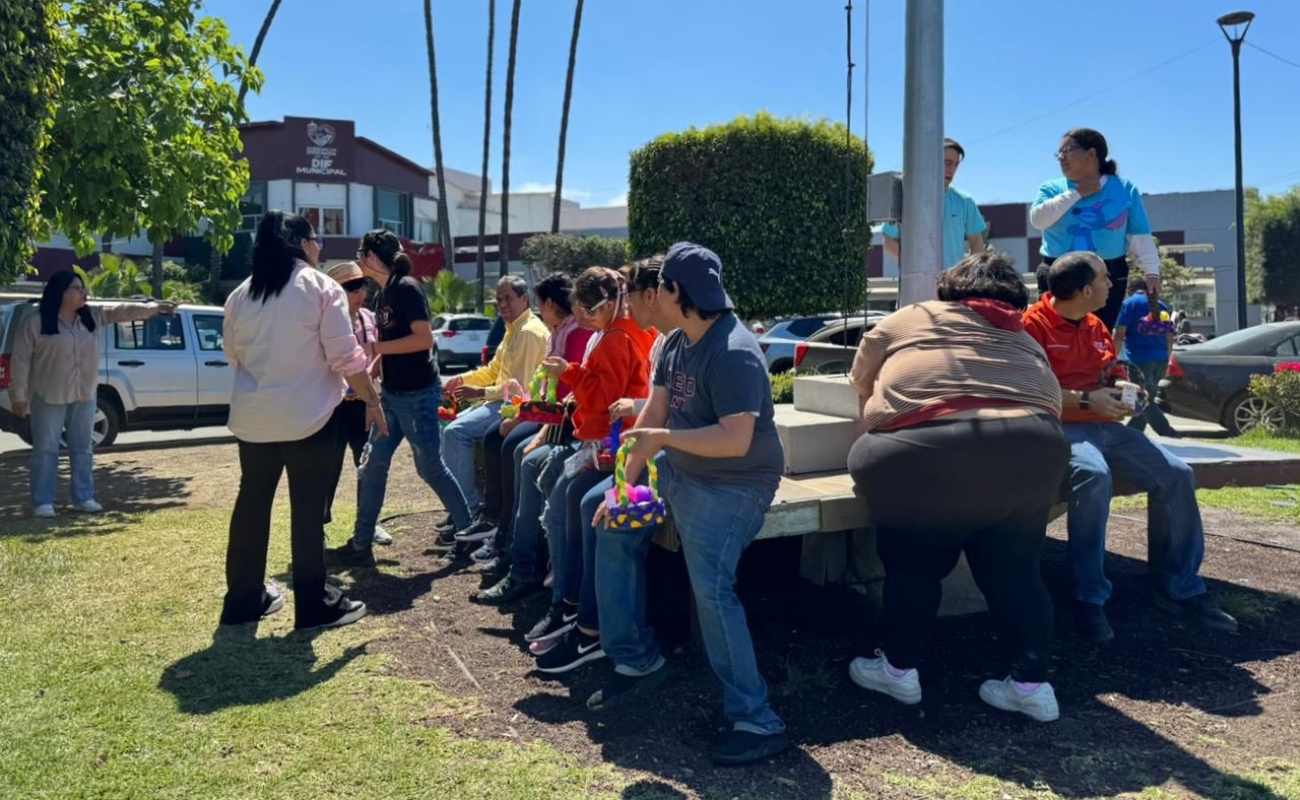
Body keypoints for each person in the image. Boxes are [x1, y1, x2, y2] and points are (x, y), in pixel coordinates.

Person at [843, 252, 1068, 722]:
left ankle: (900, 671)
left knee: (915, 567)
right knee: (1018, 571)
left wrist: (874, 404)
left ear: (947, 290)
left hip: (925, 454)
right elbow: (1049, 404)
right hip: (1035, 450)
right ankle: (1031, 685)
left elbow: (863, 369)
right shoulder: (1026, 338)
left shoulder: (913, 316)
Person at [589, 242, 788, 767]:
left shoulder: (735, 351)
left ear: (674, 292)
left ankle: (756, 718)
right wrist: (623, 492)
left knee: (713, 589)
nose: (651, 297)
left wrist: (663, 441)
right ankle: (636, 661)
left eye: (658, 289)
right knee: (611, 526)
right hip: (679, 473)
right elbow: (650, 420)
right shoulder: (676, 342)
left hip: (735, 483)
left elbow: (734, 440)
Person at [1022, 252, 1237, 643]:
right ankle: (1089, 597)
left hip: (1107, 426)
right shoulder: (1031, 326)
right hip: (1060, 426)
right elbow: (1032, 390)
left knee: (1177, 474)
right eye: (1106, 279)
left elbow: (1112, 370)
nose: (1111, 285)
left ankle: (1181, 586)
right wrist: (1088, 401)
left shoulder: (1095, 326)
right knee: (1094, 475)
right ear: (1086, 289)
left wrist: (1125, 388)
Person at [220, 211, 384, 629]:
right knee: (308, 511)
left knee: (251, 506)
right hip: (309, 418)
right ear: (301, 242)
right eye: (317, 240)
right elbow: (346, 359)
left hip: (254, 420)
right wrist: (372, 400)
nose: (319, 248)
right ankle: (313, 605)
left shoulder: (241, 294)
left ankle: (242, 600)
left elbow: (232, 355)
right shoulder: (320, 286)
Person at [528, 266, 657, 674]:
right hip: (614, 441)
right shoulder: (617, 333)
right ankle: (573, 606)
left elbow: (606, 398)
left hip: (619, 443)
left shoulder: (620, 336)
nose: (580, 316)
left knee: (579, 502)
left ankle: (584, 618)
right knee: (568, 497)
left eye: (586, 308)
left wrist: (567, 373)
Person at [327, 229, 473, 567]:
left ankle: (470, 532)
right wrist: (379, 362)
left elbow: (423, 340)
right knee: (373, 464)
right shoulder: (385, 293)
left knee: (430, 468)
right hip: (392, 397)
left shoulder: (406, 288)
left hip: (418, 396)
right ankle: (362, 543)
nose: (359, 261)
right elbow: (397, 339)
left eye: (362, 254)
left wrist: (376, 348)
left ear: (374, 258)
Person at [8, 270, 175, 518]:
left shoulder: (92, 316)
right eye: (77, 288)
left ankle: (83, 498)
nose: (83, 293)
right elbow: (19, 360)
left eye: (83, 288)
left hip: (85, 395)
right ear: (61, 292)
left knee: (83, 448)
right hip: (48, 395)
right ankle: (42, 502)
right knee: (46, 449)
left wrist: (154, 307)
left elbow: (123, 311)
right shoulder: (36, 322)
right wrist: (18, 396)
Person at [469, 273, 594, 569]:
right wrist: (520, 411)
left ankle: (516, 547)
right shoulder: (556, 332)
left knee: (517, 449)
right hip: (550, 413)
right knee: (497, 438)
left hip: (563, 421)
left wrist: (523, 415)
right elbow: (537, 386)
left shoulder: (572, 335)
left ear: (549, 303)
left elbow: (563, 397)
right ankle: (500, 528)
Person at [445, 275, 550, 541]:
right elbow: (494, 371)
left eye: (508, 298)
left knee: (455, 432)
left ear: (524, 299)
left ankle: (469, 512)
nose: (502, 304)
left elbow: (520, 389)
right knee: (445, 426)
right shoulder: (513, 327)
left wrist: (479, 391)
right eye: (499, 299)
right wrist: (462, 380)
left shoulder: (527, 332)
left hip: (514, 406)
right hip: (499, 400)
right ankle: (462, 508)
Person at [1030, 128, 1161, 331]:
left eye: (1067, 150)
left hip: (1109, 273)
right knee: (1056, 334)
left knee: (1100, 333)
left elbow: (1140, 235)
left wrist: (1152, 272)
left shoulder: (1124, 189)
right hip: (1057, 272)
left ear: (1091, 154)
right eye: (1059, 153)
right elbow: (1038, 220)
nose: (1061, 158)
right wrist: (1077, 193)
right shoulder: (1051, 188)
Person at [320, 261, 391, 544]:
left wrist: (374, 369)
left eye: (362, 286)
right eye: (351, 288)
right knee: (328, 469)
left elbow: (381, 352)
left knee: (369, 466)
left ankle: (368, 523)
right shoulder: (325, 320)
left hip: (364, 405)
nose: (359, 293)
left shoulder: (369, 318)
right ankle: (318, 526)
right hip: (334, 406)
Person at [881, 137, 987, 271]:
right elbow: (888, 242)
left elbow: (977, 242)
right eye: (947, 163)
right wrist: (918, 265)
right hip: (917, 284)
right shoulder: (907, 199)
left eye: (956, 164)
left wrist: (968, 273)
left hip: (953, 286)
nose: (952, 169)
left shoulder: (965, 201)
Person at [1113, 275, 1179, 438]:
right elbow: (1169, 337)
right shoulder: (1161, 305)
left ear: (1130, 290)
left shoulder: (1129, 304)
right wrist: (1167, 358)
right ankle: (1133, 434)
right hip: (1160, 359)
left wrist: (1112, 357)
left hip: (1139, 360)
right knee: (1145, 396)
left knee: (1143, 398)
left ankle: (1167, 431)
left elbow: (1120, 333)